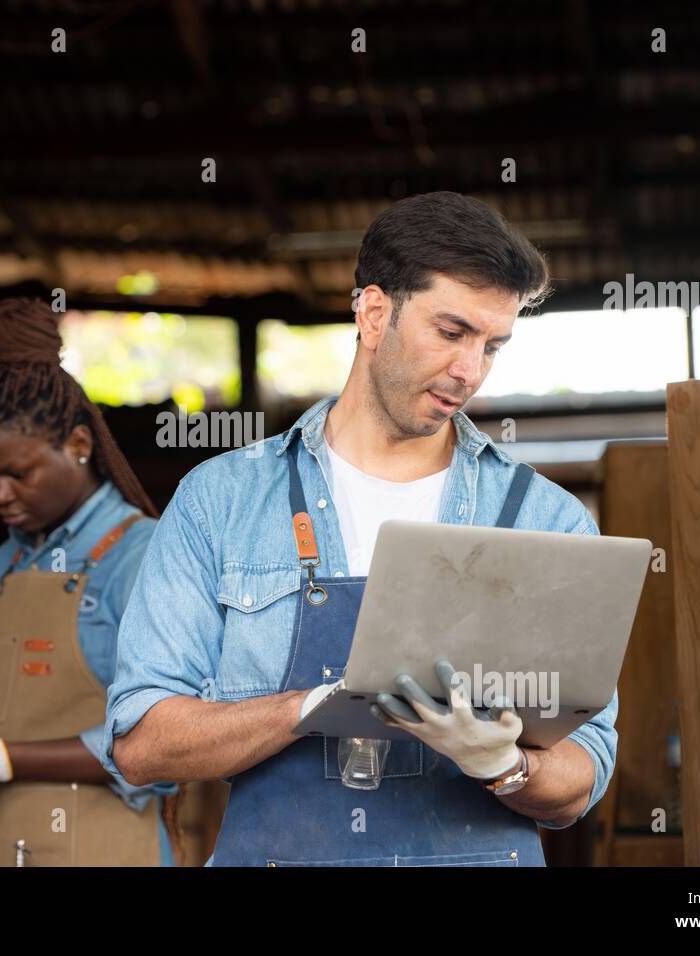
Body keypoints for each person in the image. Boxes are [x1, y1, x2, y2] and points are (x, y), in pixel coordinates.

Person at [104, 191, 620, 866]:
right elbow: (142, 745)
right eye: (452, 332)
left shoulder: (544, 521)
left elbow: (584, 776)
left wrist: (505, 765)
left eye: (494, 346)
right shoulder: (221, 502)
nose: (471, 371)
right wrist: (310, 707)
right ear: (374, 311)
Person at [0, 297, 174, 866]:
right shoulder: (6, 562)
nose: (0, 495)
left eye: (19, 474)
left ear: (77, 445)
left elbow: (163, 744)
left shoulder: (139, 554)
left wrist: (2, 759)